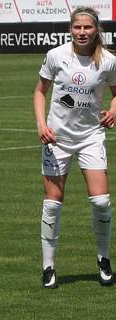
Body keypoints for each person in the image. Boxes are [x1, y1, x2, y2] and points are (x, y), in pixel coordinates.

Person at [33, 6, 115, 288]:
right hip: (57, 139)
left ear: (96, 30)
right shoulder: (56, 56)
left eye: (87, 27)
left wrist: (115, 109)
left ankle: (103, 259)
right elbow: (39, 91)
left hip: (91, 136)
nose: (82, 32)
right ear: (71, 29)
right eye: (77, 27)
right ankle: (48, 266)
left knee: (102, 202)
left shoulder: (107, 61)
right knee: (53, 204)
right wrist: (42, 125)